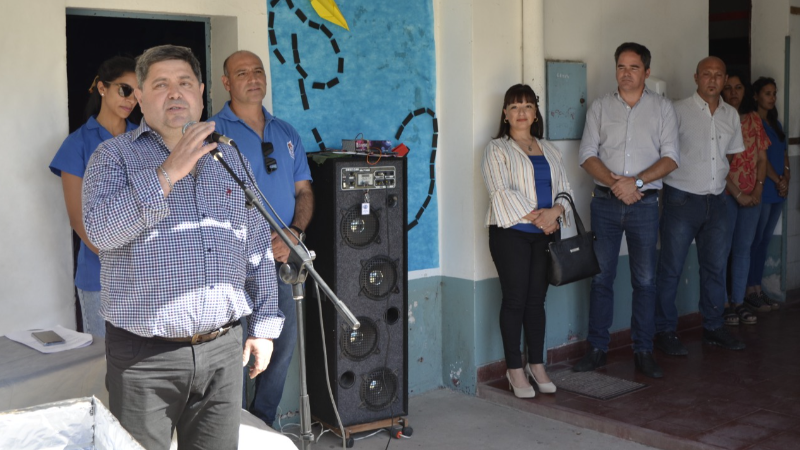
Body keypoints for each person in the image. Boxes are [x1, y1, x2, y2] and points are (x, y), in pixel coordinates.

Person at [82, 45, 284, 450]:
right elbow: (100, 231)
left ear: (202, 92)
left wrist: (263, 328)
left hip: (224, 352)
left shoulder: (230, 156)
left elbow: (258, 246)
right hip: (145, 360)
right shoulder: (113, 157)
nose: (174, 93)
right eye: (160, 85)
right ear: (138, 96)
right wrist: (168, 172)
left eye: (184, 83)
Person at [210, 50, 313, 427]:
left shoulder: (286, 132)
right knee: (233, 353)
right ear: (226, 83)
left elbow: (304, 191)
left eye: (258, 71)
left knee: (280, 349)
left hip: (283, 260)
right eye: (242, 73)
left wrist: (293, 233)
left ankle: (264, 425)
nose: (252, 78)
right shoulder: (212, 133)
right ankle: (230, 429)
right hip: (233, 265)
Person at [575, 42, 679, 379]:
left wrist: (636, 182)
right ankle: (597, 348)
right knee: (602, 278)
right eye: (621, 66)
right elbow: (587, 154)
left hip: (645, 205)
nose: (626, 73)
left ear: (647, 72)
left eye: (634, 67)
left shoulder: (662, 108)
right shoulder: (601, 107)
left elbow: (671, 157)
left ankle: (643, 350)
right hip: (605, 203)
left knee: (645, 281)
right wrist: (617, 183)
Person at [482, 84, 572, 398]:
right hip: (512, 234)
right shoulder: (497, 149)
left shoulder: (551, 148)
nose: (522, 112)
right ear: (505, 114)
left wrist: (557, 211)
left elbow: (565, 189)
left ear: (536, 113)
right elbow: (501, 191)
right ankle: (514, 369)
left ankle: (537, 364)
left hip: (546, 234)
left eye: (528, 106)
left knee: (536, 302)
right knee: (515, 300)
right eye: (515, 106)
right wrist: (541, 217)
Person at [654, 56, 746, 355]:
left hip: (717, 200)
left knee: (715, 268)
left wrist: (713, 177)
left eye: (719, 75)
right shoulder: (676, 111)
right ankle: (665, 331)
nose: (713, 79)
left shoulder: (731, 115)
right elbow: (662, 153)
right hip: (681, 199)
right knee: (671, 269)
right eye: (707, 74)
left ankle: (714, 327)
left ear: (725, 78)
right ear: (696, 77)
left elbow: (729, 156)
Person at [49, 56, 139, 337]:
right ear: (102, 88)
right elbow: (78, 219)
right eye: (124, 90)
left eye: (138, 93)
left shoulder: (146, 138)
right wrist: (119, 261)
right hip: (100, 276)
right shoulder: (78, 143)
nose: (131, 99)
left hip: (147, 274)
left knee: (147, 366)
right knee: (102, 365)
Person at [720, 71, 769, 326]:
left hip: (752, 196)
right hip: (727, 194)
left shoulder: (753, 120)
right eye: (728, 88)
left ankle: (739, 302)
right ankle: (724, 304)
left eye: (738, 87)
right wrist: (738, 194)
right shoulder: (717, 119)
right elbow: (719, 165)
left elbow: (762, 158)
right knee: (723, 250)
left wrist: (757, 190)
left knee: (743, 250)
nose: (733, 93)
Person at [745, 77, 789, 311]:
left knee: (764, 241)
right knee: (755, 240)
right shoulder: (754, 123)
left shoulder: (776, 123)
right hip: (763, 187)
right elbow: (759, 158)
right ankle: (749, 289)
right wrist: (777, 179)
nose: (772, 98)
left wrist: (787, 178)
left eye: (774, 93)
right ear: (756, 96)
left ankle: (758, 289)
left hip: (779, 190)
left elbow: (783, 155)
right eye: (767, 93)